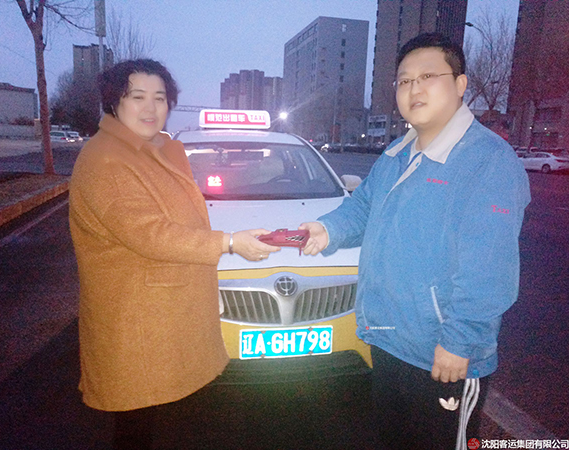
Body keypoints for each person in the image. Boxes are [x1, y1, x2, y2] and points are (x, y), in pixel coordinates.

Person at [300, 33, 530, 449]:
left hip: (442, 354)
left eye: (428, 76)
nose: (414, 88)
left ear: (460, 84)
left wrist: (460, 341)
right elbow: (362, 208)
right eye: (404, 80)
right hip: (389, 339)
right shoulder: (396, 153)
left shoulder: (488, 161)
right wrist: (327, 229)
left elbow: (488, 269)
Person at [68, 59, 279, 449]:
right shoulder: (106, 160)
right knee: (137, 420)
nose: (150, 108)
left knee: (167, 416)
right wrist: (229, 242)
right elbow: (150, 234)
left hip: (166, 306)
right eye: (137, 97)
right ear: (115, 102)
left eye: (160, 98)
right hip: (137, 315)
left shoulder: (155, 149)